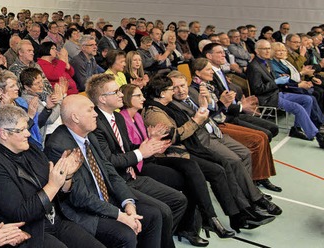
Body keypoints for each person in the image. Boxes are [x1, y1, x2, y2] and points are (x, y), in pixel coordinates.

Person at [143, 74, 278, 232]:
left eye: (180, 86)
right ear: (162, 92)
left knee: (232, 160)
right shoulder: (155, 111)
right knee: (222, 167)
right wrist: (197, 120)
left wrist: (205, 108)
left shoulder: (170, 104)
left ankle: (244, 210)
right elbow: (174, 136)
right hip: (181, 150)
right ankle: (236, 213)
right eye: (172, 88)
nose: (175, 91)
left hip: (199, 139)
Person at [118, 83, 236, 243]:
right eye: (138, 96)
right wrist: (151, 140)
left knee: (191, 167)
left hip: (152, 158)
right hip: (141, 166)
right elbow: (129, 149)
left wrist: (154, 139)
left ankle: (207, 219)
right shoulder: (123, 119)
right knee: (190, 180)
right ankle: (194, 225)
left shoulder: (137, 116)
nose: (143, 98)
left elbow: (149, 143)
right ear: (127, 98)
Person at [44, 94, 164, 247]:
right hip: (84, 211)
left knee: (154, 215)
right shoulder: (58, 147)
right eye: (90, 110)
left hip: (105, 200)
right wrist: (120, 216)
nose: (96, 114)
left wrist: (128, 204)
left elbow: (110, 172)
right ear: (75, 117)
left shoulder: (89, 135)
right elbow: (79, 196)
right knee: (125, 235)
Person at [0, 105, 105, 248]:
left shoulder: (31, 150)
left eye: (27, 128)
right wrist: (53, 185)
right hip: (27, 232)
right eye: (21, 130)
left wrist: (66, 177)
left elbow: (58, 195)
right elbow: (21, 215)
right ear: (3, 134)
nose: (28, 133)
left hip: (53, 220)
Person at [191, 58, 281, 192]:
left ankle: (261, 177)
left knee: (263, 136)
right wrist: (225, 104)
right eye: (208, 70)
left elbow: (220, 107)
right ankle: (252, 182)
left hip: (223, 118)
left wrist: (229, 103)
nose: (212, 72)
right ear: (197, 72)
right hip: (219, 124)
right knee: (257, 140)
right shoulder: (195, 90)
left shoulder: (208, 86)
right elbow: (210, 113)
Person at [248, 40, 324, 147]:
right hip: (267, 98)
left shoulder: (267, 62)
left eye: (268, 48)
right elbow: (258, 89)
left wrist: (286, 80)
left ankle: (296, 128)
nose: (267, 51)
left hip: (277, 93)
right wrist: (276, 82)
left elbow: (277, 81)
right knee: (298, 108)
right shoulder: (254, 66)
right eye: (264, 49)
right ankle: (317, 136)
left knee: (307, 99)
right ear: (256, 51)